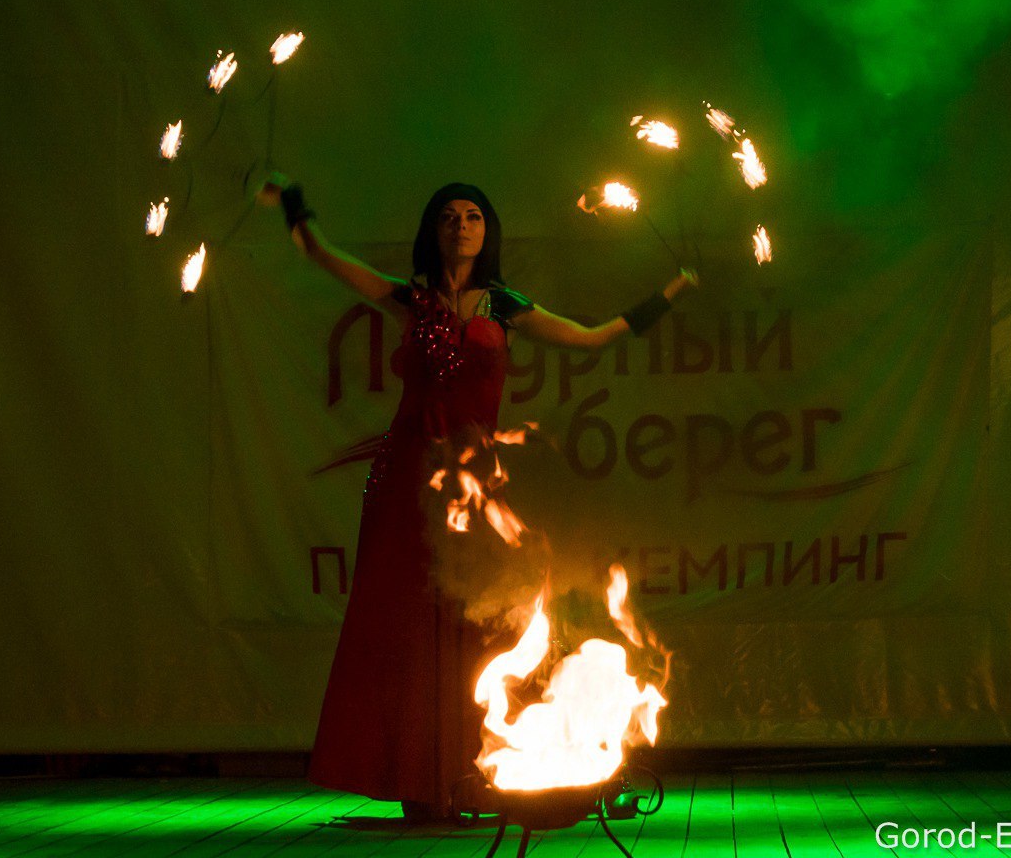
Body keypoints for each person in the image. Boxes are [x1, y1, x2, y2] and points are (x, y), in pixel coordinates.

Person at [261, 175, 695, 821]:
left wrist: (670, 291)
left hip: (477, 484)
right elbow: (325, 256)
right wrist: (295, 206)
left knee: (475, 623)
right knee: (403, 624)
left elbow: (592, 336)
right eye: (448, 217)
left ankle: (470, 775)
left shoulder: (503, 305)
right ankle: (415, 784)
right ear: (432, 230)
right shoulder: (409, 298)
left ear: (488, 232)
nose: (461, 226)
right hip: (408, 475)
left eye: (473, 217)